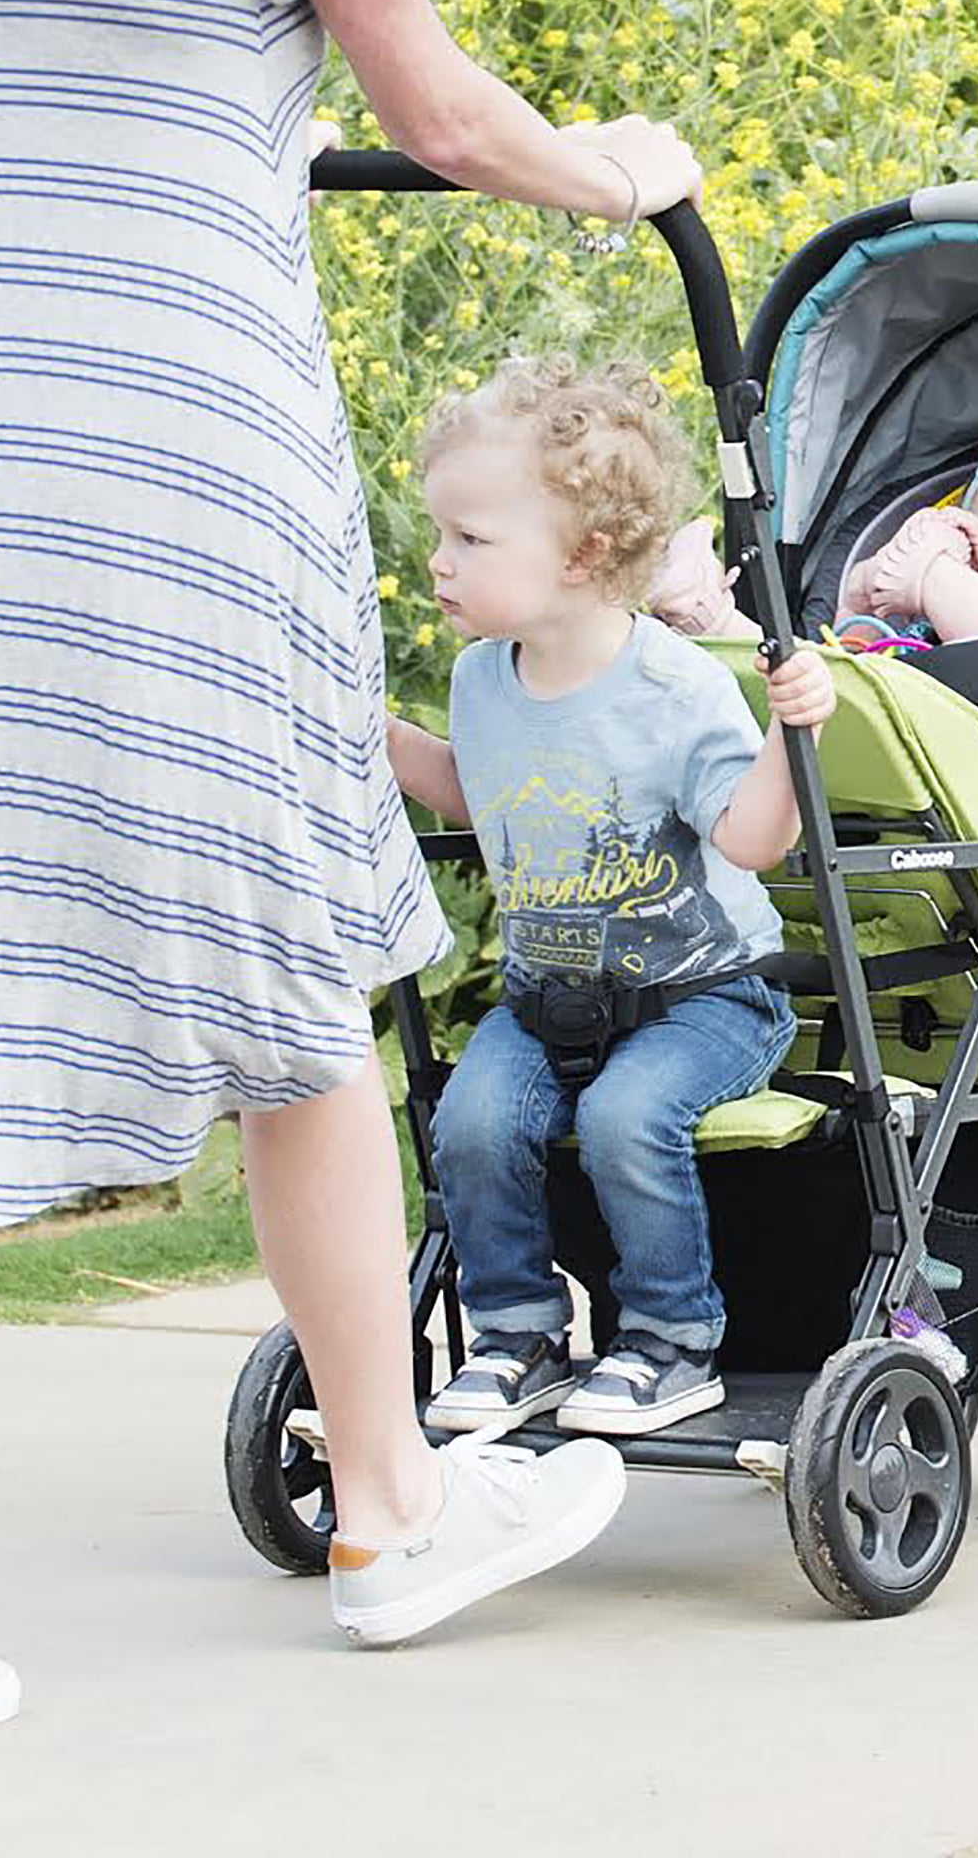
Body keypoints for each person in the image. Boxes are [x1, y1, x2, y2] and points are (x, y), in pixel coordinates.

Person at [0, 0, 708, 1731]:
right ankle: (394, 1507)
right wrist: (616, 172)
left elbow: (22, 69)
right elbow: (440, 116)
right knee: (288, 941)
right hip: (180, 450)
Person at [386, 357, 836, 1439]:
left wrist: (792, 733)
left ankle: (672, 1339)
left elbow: (752, 839)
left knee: (626, 1117)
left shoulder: (673, 687)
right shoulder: (482, 677)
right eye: (442, 534)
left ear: (583, 554)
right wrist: (371, 732)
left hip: (706, 997)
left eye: (470, 540)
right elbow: (479, 794)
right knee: (470, 1121)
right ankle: (517, 1333)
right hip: (549, 998)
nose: (438, 562)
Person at [652, 445, 978, 665]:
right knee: (818, 673)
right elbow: (859, 658)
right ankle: (709, 616)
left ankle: (930, 572)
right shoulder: (932, 624)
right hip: (907, 708)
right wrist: (863, 600)